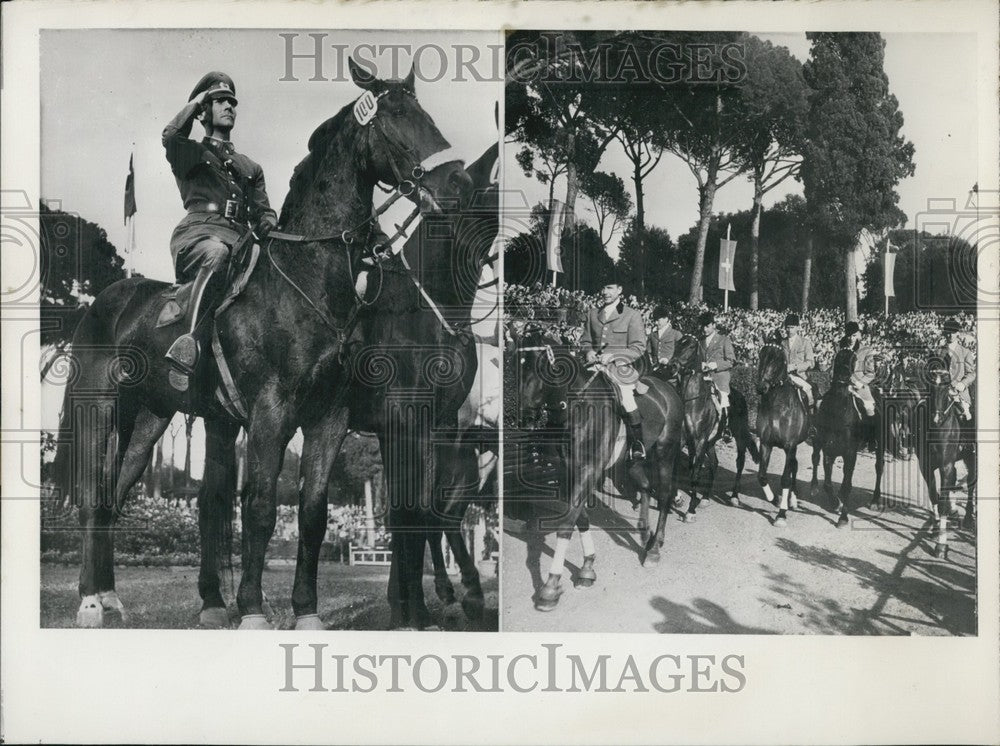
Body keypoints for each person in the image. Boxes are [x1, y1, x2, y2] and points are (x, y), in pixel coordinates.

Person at [162, 71, 278, 391]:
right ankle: (188, 345)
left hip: (241, 244)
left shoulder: (249, 167)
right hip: (199, 238)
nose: (229, 106)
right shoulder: (191, 153)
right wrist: (194, 106)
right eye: (219, 101)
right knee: (217, 253)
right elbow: (170, 136)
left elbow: (263, 210)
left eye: (232, 102)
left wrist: (269, 224)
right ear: (205, 111)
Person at [580, 281, 647, 468]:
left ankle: (637, 444)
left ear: (620, 290)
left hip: (619, 368)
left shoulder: (632, 315)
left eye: (610, 288)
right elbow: (585, 340)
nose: (605, 292)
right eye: (603, 288)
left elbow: (638, 347)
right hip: (593, 366)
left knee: (627, 399)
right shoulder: (592, 313)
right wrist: (588, 352)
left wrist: (615, 355)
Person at [698, 311, 735, 440]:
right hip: (703, 376)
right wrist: (700, 364)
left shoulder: (724, 339)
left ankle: (726, 428)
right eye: (703, 326)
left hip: (719, 377)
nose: (704, 329)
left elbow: (731, 361)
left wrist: (715, 365)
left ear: (714, 325)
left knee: (723, 398)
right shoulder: (700, 341)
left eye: (707, 326)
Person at [940, 318, 975, 421]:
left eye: (953, 332)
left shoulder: (965, 352)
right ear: (945, 333)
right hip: (942, 392)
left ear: (957, 333)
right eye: (948, 332)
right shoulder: (938, 352)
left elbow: (971, 374)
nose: (950, 335)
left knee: (965, 416)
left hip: (959, 393)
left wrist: (963, 384)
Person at [780, 313, 816, 412]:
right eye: (787, 327)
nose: (789, 330)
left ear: (797, 327)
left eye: (792, 327)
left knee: (811, 394)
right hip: (783, 376)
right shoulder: (782, 343)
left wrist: (795, 366)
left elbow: (810, 363)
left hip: (800, 376)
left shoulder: (805, 342)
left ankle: (811, 417)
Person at [844, 321, 877, 418]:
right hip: (842, 387)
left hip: (859, 388)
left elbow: (871, 373)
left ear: (858, 335)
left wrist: (860, 383)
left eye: (854, 336)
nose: (851, 339)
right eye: (849, 336)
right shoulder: (839, 348)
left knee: (870, 411)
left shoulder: (866, 351)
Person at [648, 305, 684, 370]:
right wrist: (650, 360)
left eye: (658, 320)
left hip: (670, 370)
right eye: (655, 320)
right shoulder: (652, 335)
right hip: (653, 370)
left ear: (666, 319)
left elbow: (681, 354)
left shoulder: (676, 334)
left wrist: (668, 360)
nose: (656, 323)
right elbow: (648, 352)